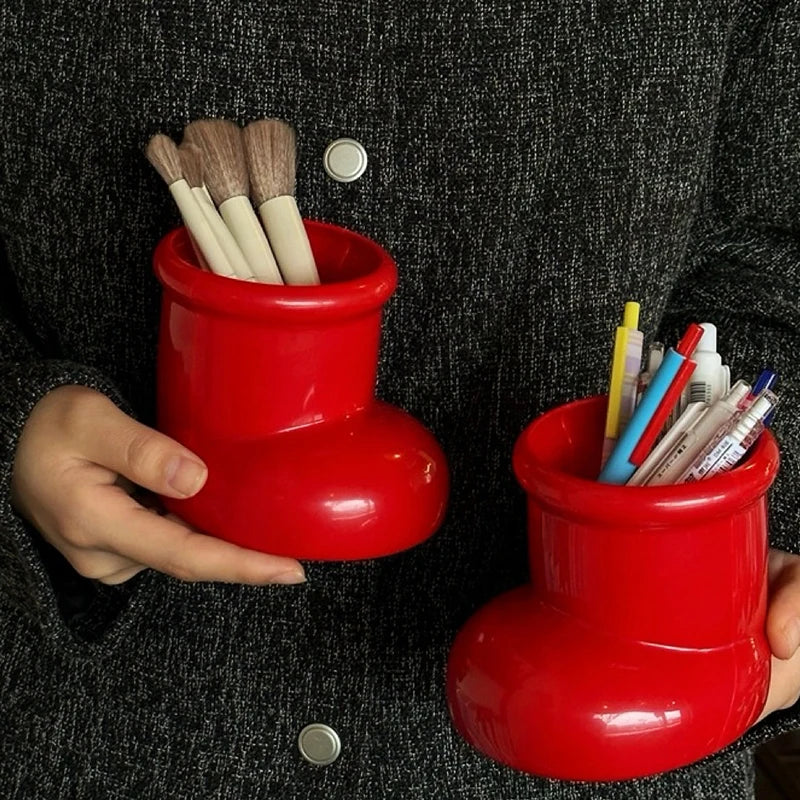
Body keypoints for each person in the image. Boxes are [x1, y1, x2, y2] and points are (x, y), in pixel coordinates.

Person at [1, 1, 799, 797]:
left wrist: (766, 593)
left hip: (599, 746)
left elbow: (770, 280)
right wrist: (13, 424)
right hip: (99, 713)